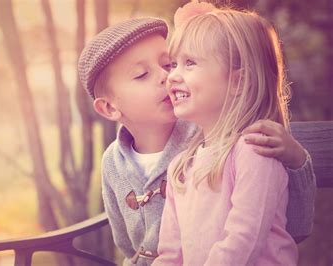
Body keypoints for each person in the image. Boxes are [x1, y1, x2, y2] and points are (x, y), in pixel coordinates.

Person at [77, 15, 315, 266]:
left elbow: (289, 225)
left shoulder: (211, 135)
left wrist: (297, 160)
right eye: (142, 74)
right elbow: (128, 243)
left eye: (169, 65)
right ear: (109, 108)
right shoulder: (122, 163)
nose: (167, 77)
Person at [154, 2, 307, 265]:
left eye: (189, 63)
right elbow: (170, 254)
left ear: (238, 81)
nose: (173, 76)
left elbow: (242, 244)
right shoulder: (180, 166)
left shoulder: (254, 152)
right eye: (173, 64)